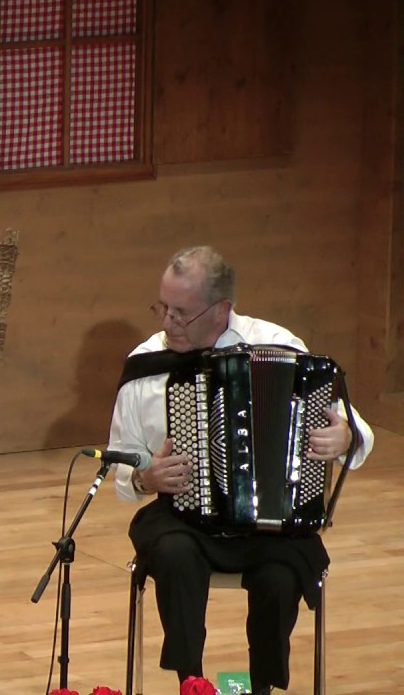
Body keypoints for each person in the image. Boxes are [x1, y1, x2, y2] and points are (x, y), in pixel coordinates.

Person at [108, 246, 374, 694]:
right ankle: (191, 681)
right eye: (163, 308)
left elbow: (356, 428)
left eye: (182, 313)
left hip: (268, 523)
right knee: (172, 554)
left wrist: (345, 438)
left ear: (222, 309)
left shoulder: (279, 344)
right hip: (185, 518)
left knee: (281, 576)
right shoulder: (145, 365)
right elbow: (120, 460)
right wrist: (144, 478)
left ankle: (262, 686)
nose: (168, 322)